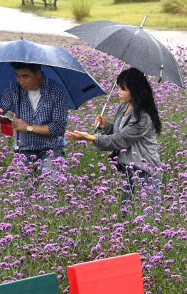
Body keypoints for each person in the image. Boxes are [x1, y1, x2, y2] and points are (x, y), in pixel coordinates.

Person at [67, 68, 162, 214]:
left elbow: (121, 140)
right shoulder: (123, 107)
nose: (119, 92)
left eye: (123, 89)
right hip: (128, 167)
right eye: (119, 87)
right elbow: (120, 132)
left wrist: (90, 137)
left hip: (145, 171)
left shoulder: (143, 116)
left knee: (146, 216)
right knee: (127, 214)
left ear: (135, 90)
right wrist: (106, 126)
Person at [0, 62, 68, 175]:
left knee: (49, 189)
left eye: (25, 76)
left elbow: (58, 127)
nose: (20, 81)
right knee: (20, 190)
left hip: (51, 150)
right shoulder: (14, 89)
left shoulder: (56, 92)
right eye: (17, 76)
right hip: (24, 149)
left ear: (38, 74)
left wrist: (29, 128)